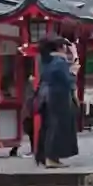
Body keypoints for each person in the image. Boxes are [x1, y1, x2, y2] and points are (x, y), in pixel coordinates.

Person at [35, 38, 79, 168]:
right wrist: (73, 72)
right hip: (57, 96)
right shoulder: (59, 61)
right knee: (57, 127)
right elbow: (67, 80)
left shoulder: (45, 60)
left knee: (48, 126)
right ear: (61, 47)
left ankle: (46, 156)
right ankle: (51, 158)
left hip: (45, 96)